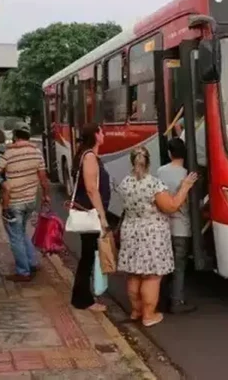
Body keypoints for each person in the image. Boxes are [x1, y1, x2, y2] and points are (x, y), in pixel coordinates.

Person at [117, 146, 197, 327]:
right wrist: (185, 187)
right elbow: (171, 206)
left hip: (130, 232)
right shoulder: (154, 184)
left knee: (134, 275)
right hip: (152, 235)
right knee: (151, 276)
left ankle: (136, 311)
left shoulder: (125, 183)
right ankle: (149, 315)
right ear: (148, 162)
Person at [0, 122, 50, 282]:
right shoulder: (37, 152)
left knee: (15, 236)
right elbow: (43, 178)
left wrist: (3, 180)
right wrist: (45, 195)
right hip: (31, 201)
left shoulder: (7, 154)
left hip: (14, 201)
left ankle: (23, 271)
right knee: (22, 232)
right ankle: (32, 262)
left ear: (15, 137)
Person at [69, 123, 112, 312]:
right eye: (101, 132)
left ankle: (83, 296)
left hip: (88, 211)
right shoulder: (89, 157)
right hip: (90, 213)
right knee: (88, 255)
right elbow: (91, 188)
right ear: (95, 135)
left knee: (88, 254)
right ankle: (82, 299)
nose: (104, 134)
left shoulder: (87, 155)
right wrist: (102, 216)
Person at [157, 138, 197, 314]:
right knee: (179, 267)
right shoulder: (188, 175)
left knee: (164, 265)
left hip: (164, 226)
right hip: (182, 227)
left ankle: (159, 299)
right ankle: (176, 301)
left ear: (169, 153)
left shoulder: (159, 172)